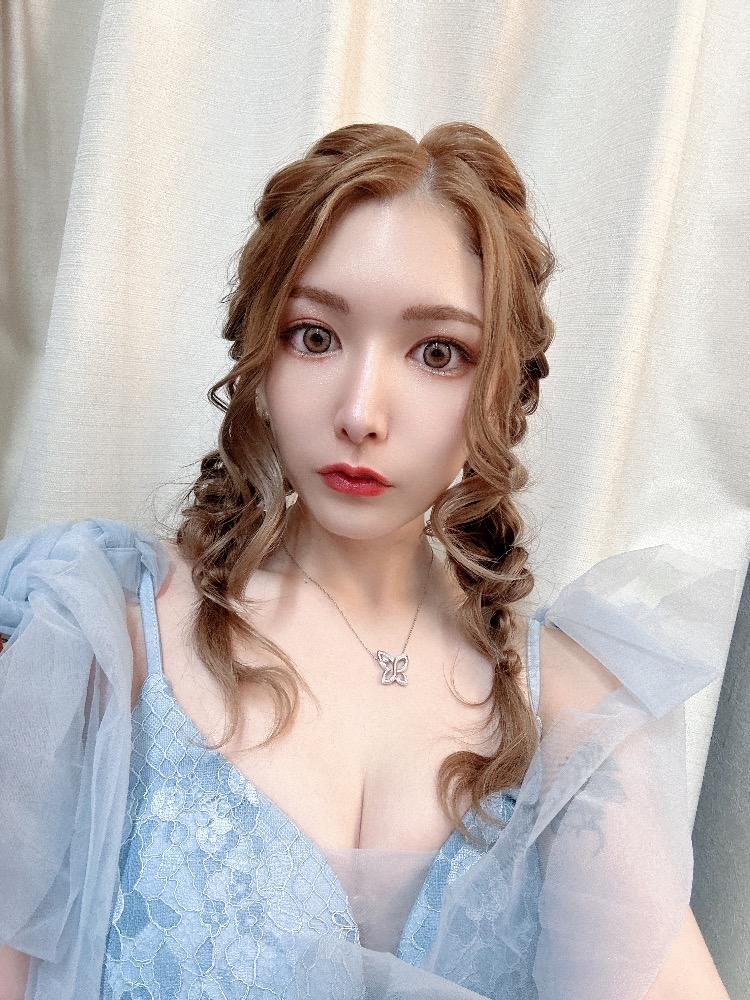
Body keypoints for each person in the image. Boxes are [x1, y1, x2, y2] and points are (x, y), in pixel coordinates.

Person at [0, 123, 732, 999]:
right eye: (315, 336)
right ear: (260, 355)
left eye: (436, 353)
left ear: (501, 385)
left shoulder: (569, 711)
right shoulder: (107, 639)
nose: (359, 412)